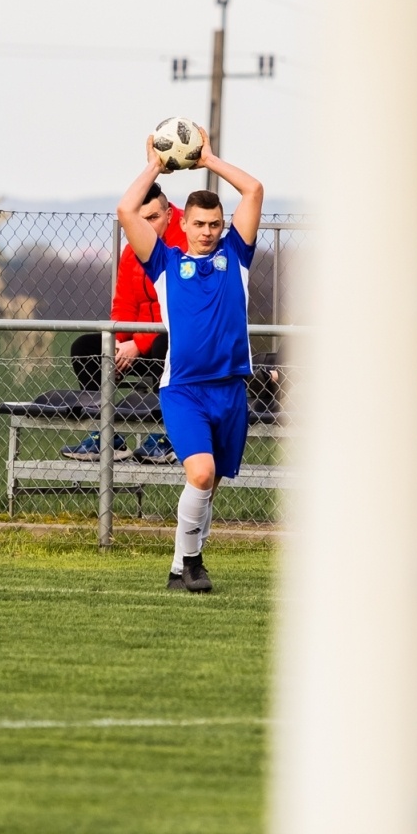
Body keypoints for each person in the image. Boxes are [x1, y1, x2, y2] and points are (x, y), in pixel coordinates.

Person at [116, 129, 263, 593]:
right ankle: (193, 561)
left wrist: (209, 159)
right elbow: (126, 210)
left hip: (230, 390)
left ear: (223, 227)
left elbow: (254, 190)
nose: (206, 231)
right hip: (183, 390)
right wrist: (158, 166)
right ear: (183, 225)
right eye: (199, 224)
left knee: (208, 485)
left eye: (214, 225)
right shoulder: (163, 264)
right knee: (199, 473)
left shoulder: (236, 257)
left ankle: (181, 569)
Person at [62, 181, 181, 464]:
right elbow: (124, 304)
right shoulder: (131, 251)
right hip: (139, 344)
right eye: (140, 221)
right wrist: (117, 343)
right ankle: (105, 436)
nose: (147, 227)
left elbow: (179, 309)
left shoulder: (186, 246)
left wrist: (138, 344)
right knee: (87, 348)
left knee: (166, 343)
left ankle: (171, 434)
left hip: (168, 342)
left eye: (153, 218)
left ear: (169, 215)